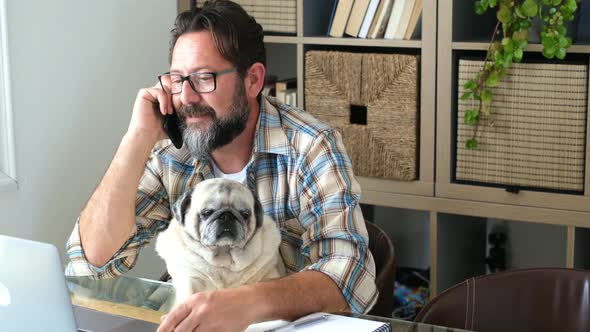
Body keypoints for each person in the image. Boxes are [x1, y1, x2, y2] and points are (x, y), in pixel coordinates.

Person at [65, 1, 377, 331]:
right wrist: (136, 139)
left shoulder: (311, 146)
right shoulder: (171, 153)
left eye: (203, 78)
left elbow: (351, 277)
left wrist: (245, 304)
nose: (186, 96)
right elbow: (90, 265)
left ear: (253, 80)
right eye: (177, 79)